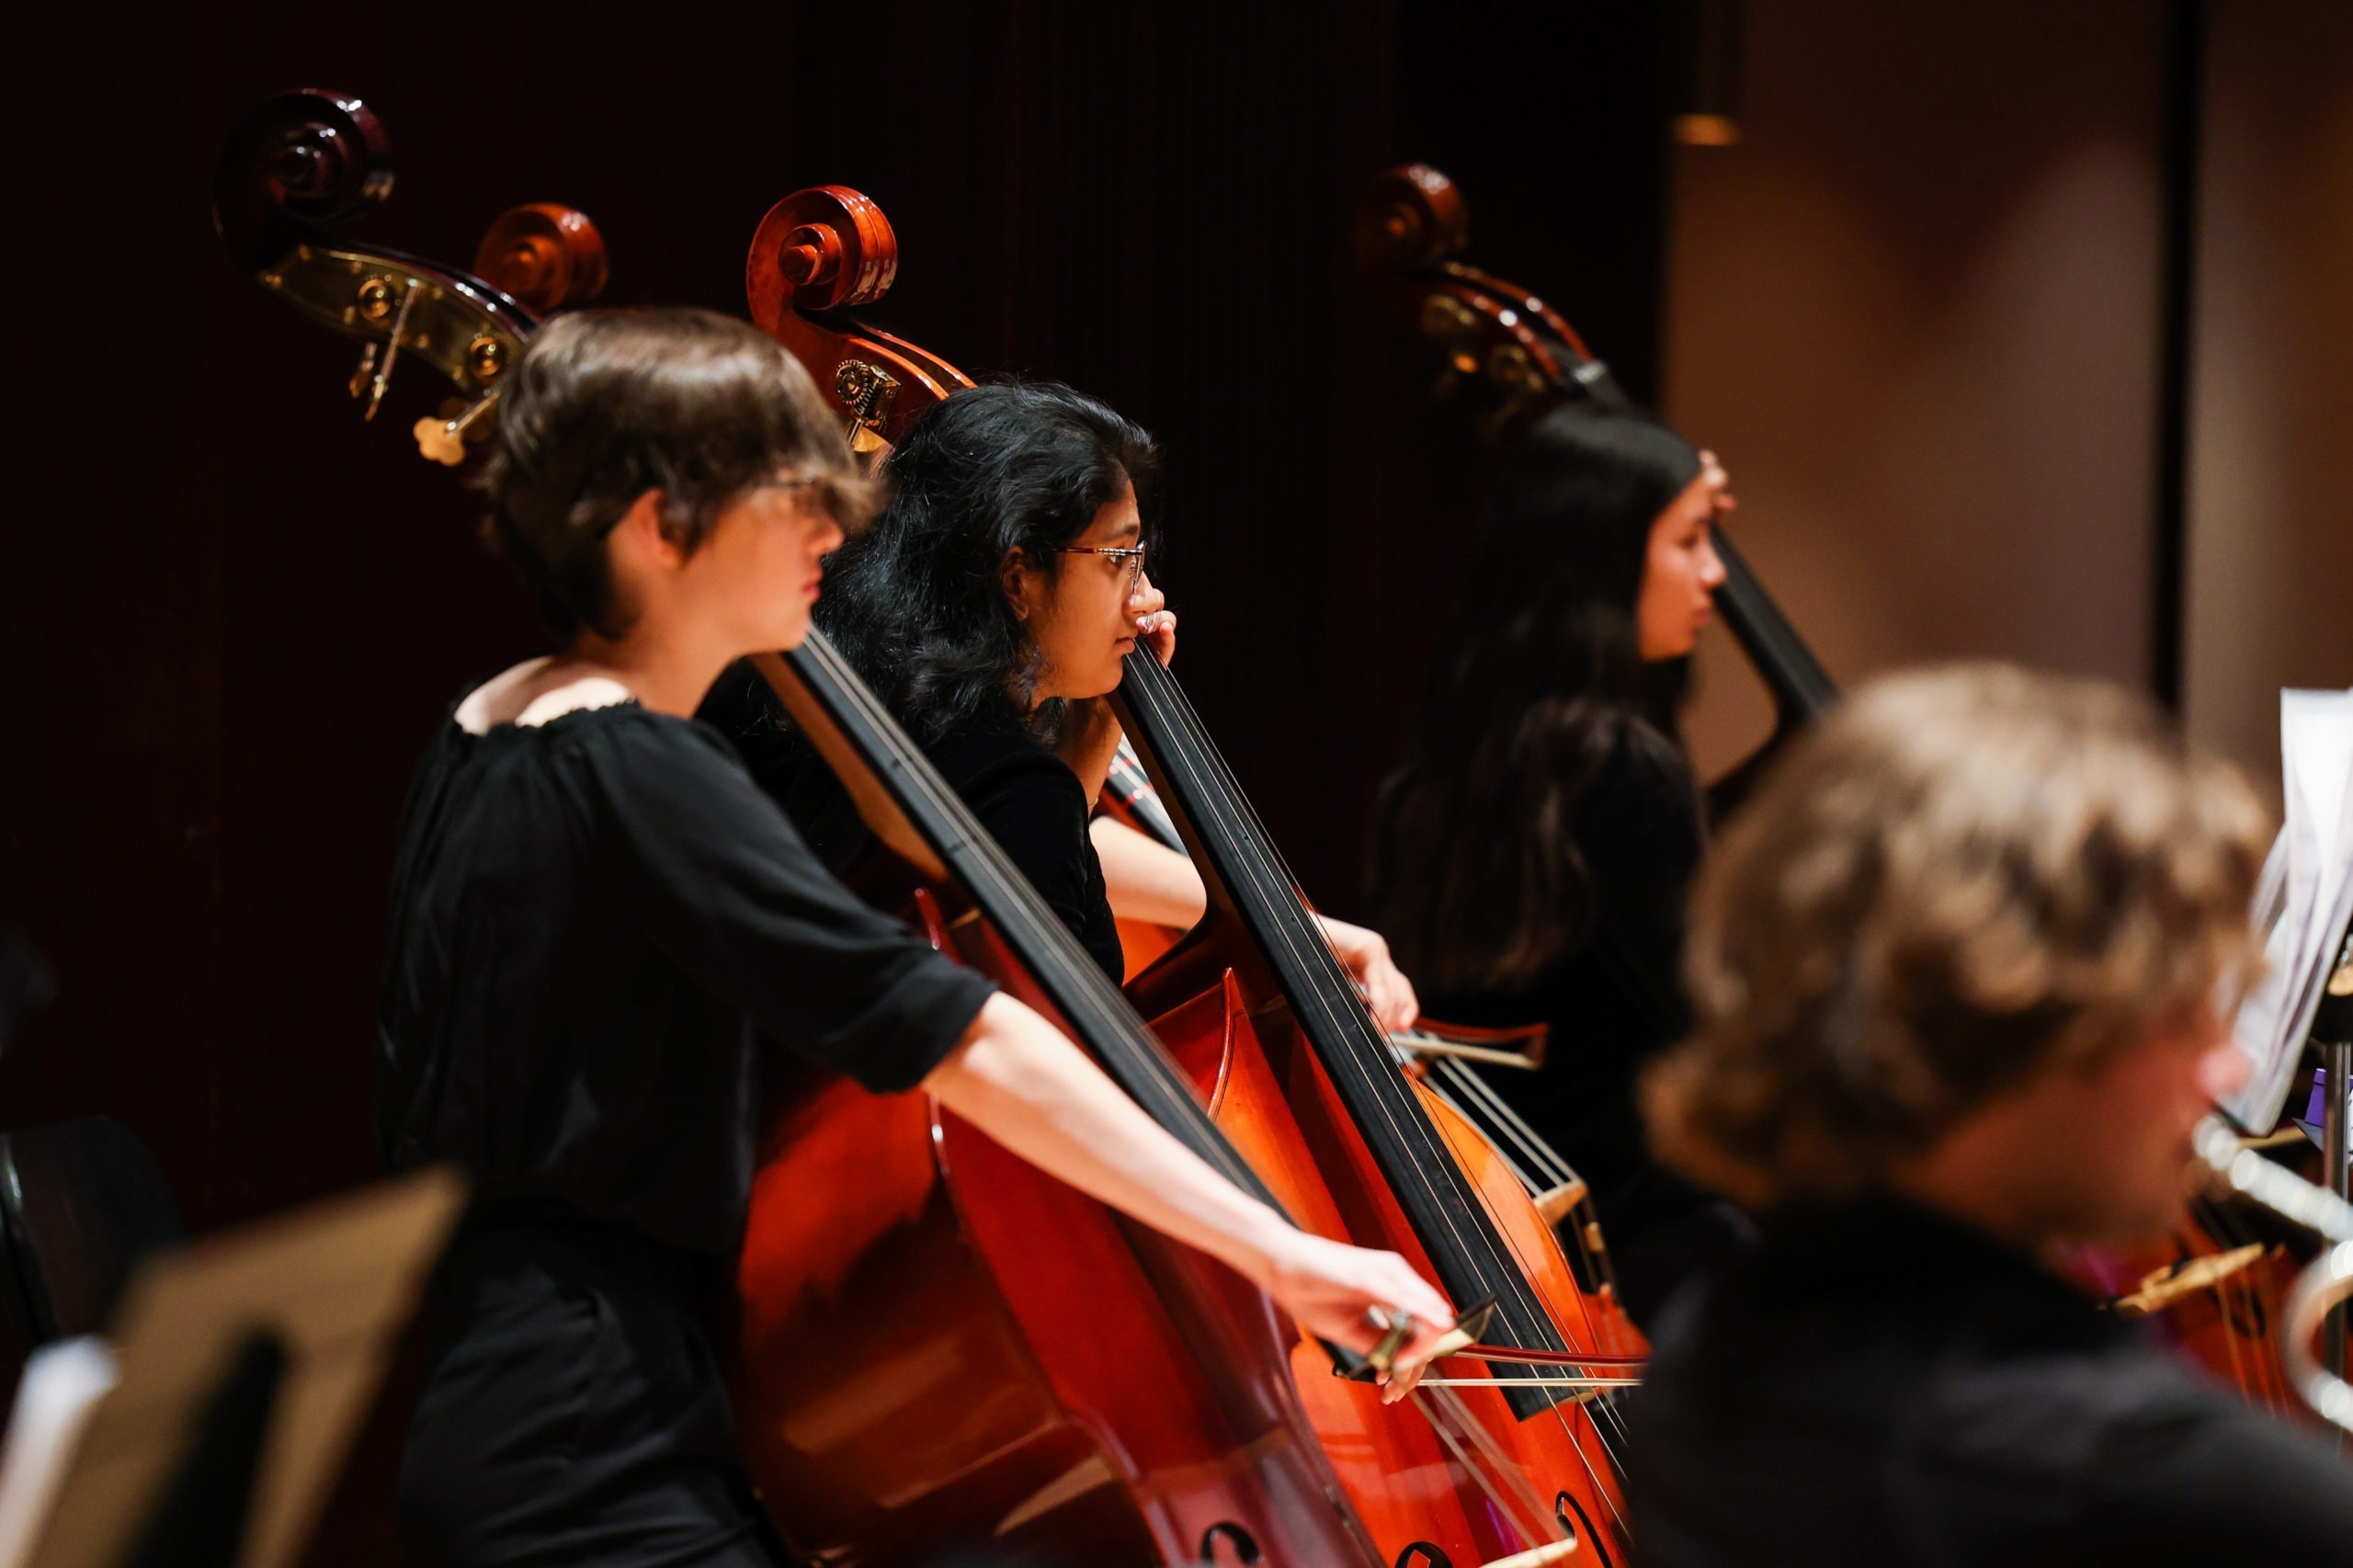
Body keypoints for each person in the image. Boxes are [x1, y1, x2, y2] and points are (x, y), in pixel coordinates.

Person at [376, 309, 1454, 1568]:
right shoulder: (634, 766)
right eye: (792, 501)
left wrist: (1283, 917)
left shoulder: (501, 723)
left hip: (540, 1398)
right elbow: (960, 1029)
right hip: (590, 1448)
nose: (836, 534)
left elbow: (948, 855)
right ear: (656, 530)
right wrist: (1279, 1248)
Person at [1627, 662, 2353, 1566]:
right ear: (2017, 1017)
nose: (2230, 1061)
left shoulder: (1694, 1360)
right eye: (2183, 1007)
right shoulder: (2161, 1483)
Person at [703, 381, 1418, 1027]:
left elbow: (1012, 864)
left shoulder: (806, 674)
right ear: (1017, 578)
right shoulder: (1011, 780)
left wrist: (1101, 720)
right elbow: (1071, 1032)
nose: (1145, 599)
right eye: (1119, 559)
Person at [1367, 400, 1738, 1321]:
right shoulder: (1625, 766)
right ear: (1609, 554)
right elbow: (1713, 1033)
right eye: (1690, 539)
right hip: (1644, 1249)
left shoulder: (1453, 763)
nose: (1715, 573)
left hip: (1500, 1235)